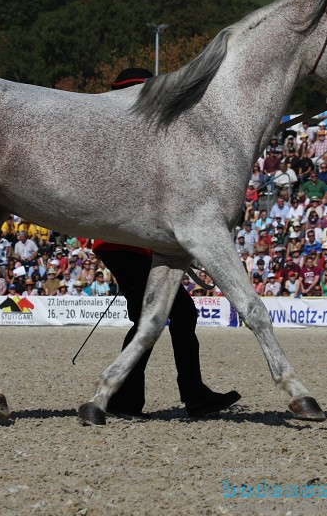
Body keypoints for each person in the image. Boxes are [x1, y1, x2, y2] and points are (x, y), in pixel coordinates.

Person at [94, 67, 240, 418]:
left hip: (117, 242)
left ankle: (131, 399)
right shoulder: (144, 130)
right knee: (170, 316)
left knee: (154, 317)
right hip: (131, 243)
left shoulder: (115, 129)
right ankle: (176, 396)